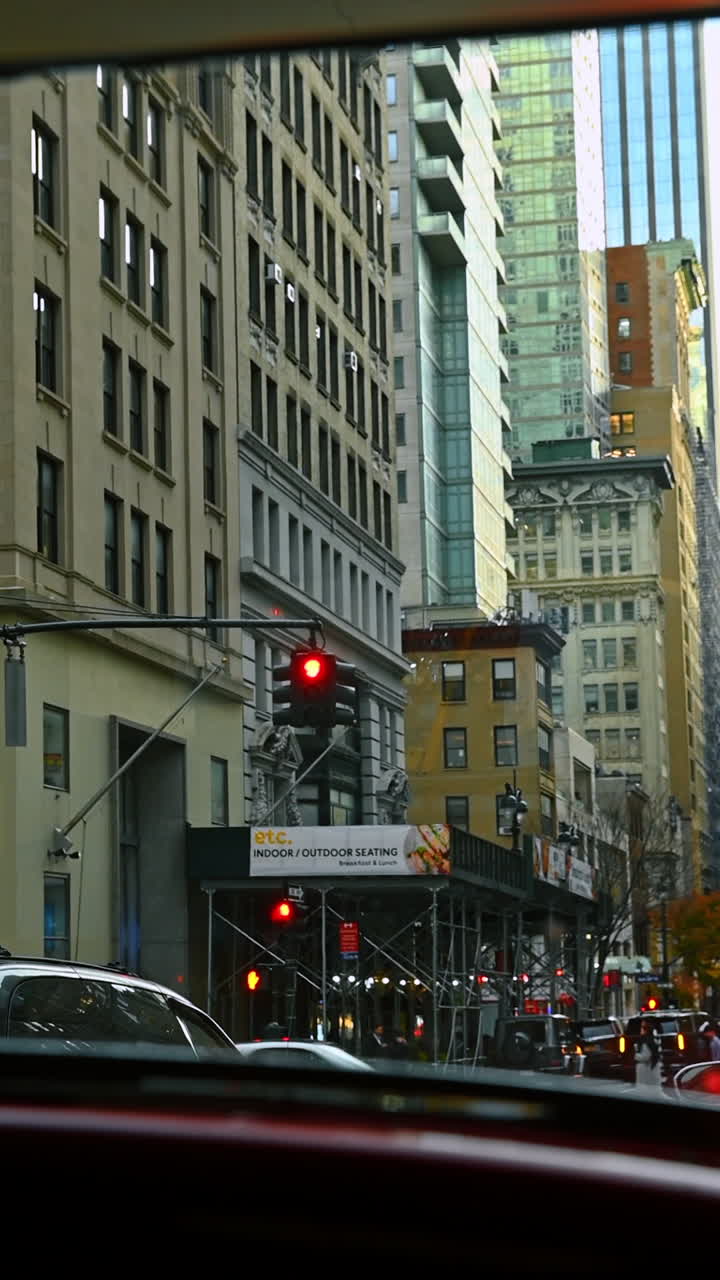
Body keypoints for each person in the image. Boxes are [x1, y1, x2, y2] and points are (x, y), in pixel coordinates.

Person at [635, 1019, 662, 1087]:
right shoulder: (652, 1039)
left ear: (645, 1029)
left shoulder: (646, 1040)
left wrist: (635, 1055)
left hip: (646, 1070)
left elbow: (645, 1056)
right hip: (650, 1069)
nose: (640, 1029)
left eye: (642, 1027)